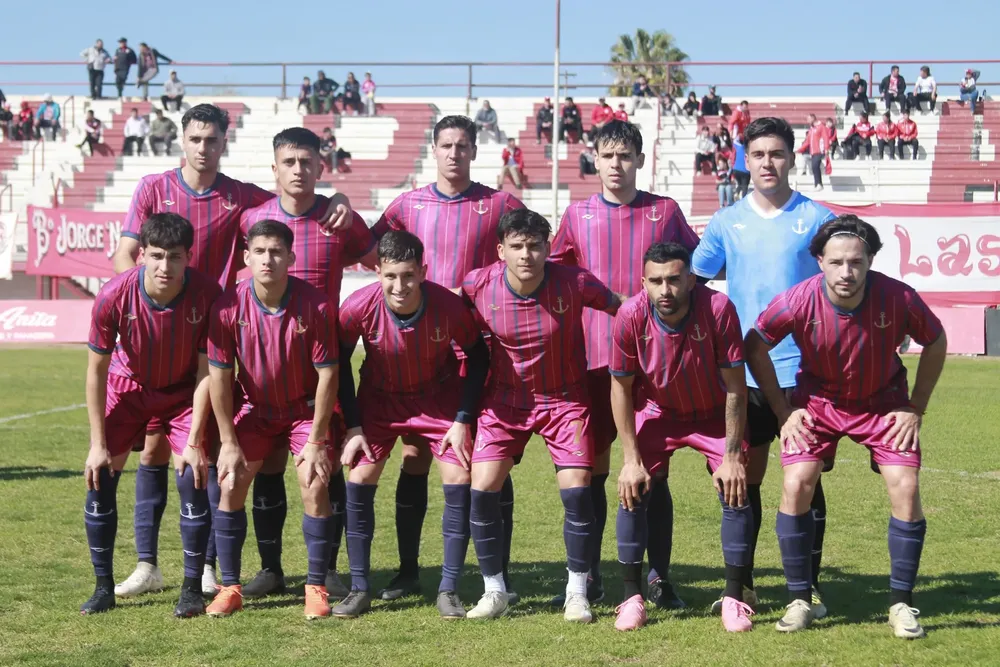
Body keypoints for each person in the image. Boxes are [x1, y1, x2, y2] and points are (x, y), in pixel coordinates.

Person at [111, 104, 353, 599]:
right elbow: (125, 255)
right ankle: (147, 563)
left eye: (212, 139)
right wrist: (141, 305)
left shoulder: (240, 197)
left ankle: (207, 566)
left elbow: (292, 196)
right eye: (195, 138)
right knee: (157, 448)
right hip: (163, 333)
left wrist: (337, 198)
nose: (203, 147)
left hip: (215, 332)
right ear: (182, 140)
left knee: (205, 449)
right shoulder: (153, 188)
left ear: (225, 142)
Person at [745, 215, 947, 637]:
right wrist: (783, 410)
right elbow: (755, 344)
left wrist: (916, 407)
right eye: (836, 262)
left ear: (870, 260)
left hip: (884, 403)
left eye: (856, 262)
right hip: (818, 404)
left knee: (906, 485)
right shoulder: (797, 300)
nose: (846, 272)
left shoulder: (899, 297)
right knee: (796, 483)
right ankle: (800, 599)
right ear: (820, 261)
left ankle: (901, 604)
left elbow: (935, 339)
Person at [371, 114, 524, 603]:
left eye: (462, 145)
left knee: (491, 458)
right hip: (424, 352)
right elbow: (371, 248)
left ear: (474, 150)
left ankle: (497, 574)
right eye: (446, 145)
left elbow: (528, 251)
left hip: (482, 348)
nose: (454, 153)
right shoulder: (407, 205)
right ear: (433, 150)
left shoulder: (500, 204)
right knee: (415, 455)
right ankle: (408, 570)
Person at [692, 117, 837, 618]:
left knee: (806, 481)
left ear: (792, 158)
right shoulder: (725, 222)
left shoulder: (818, 218)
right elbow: (695, 284)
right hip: (745, 376)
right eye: (758, 155)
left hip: (805, 375)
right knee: (743, 480)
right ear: (745, 161)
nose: (768, 163)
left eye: (776, 153)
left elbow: (842, 285)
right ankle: (744, 586)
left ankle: (808, 588)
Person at [551, 120, 698, 610]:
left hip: (653, 364)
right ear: (595, 160)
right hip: (592, 361)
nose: (616, 164)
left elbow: (695, 270)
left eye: (625, 156)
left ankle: (658, 576)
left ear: (639, 160)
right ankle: (591, 573)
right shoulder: (577, 215)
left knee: (653, 470)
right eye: (608, 156)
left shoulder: (665, 211)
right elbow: (554, 276)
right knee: (593, 470)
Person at [235, 127, 377, 602]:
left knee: (324, 465)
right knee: (268, 462)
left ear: (321, 167)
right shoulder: (253, 218)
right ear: (274, 168)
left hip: (324, 365)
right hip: (264, 365)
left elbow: (379, 261)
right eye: (289, 162)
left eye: (307, 162)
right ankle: (270, 568)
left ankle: (328, 571)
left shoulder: (340, 218)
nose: (298, 170)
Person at [461, 208, 622, 621]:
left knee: (578, 489)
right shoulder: (477, 285)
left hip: (565, 400)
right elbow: (446, 316)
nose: (526, 255)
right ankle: (494, 591)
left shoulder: (575, 282)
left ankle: (577, 592)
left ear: (548, 248)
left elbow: (623, 309)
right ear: (501, 250)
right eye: (516, 246)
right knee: (482, 487)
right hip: (504, 402)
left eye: (534, 245)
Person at [334, 230, 490, 619]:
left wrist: (462, 419)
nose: (399, 286)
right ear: (377, 273)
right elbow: (338, 366)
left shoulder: (449, 306)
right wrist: (353, 426)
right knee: (359, 479)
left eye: (408, 275)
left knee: (458, 478)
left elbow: (478, 358)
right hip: (379, 402)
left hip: (437, 400)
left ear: (422, 271)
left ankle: (449, 589)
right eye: (390, 276)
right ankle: (359, 588)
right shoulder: (356, 307)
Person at [80, 213, 222, 617]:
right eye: (157, 256)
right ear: (141, 254)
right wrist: (97, 444)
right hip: (128, 389)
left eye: (174, 257)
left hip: (182, 394)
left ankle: (191, 588)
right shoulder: (113, 295)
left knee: (193, 476)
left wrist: (194, 441)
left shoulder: (208, 294)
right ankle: (103, 587)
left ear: (188, 257)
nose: (165, 266)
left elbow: (206, 372)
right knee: (99, 476)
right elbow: (95, 373)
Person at [611, 242, 754, 633]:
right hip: (658, 412)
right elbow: (620, 388)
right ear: (643, 282)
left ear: (691, 279)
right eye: (655, 281)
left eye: (674, 279)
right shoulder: (630, 315)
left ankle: (734, 598)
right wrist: (630, 459)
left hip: (712, 413)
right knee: (633, 487)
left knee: (735, 487)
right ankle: (632, 597)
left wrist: (732, 456)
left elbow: (736, 386)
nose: (665, 290)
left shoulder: (718, 309)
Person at [205, 220, 340, 620]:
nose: (268, 259)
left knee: (314, 482)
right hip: (255, 410)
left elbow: (329, 376)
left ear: (291, 257)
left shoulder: (315, 306)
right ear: (247, 257)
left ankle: (315, 588)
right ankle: (230, 588)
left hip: (303, 412)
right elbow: (219, 378)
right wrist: (228, 441)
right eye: (260, 252)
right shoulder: (227, 307)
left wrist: (317, 440)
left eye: (277, 252)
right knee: (230, 482)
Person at [797, 115, 830, 192]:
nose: (807, 121)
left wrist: (826, 148)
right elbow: (807, 141)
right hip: (813, 151)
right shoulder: (811, 129)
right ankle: (817, 185)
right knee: (814, 167)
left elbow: (825, 137)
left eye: (808, 119)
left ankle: (819, 184)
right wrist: (800, 150)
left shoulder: (821, 127)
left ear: (813, 118)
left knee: (815, 166)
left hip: (819, 150)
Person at [731, 136, 750, 200]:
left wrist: (739, 136)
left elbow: (735, 140)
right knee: (745, 186)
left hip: (736, 169)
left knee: (739, 184)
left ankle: (737, 193)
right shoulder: (748, 149)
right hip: (745, 171)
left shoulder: (738, 146)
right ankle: (744, 199)